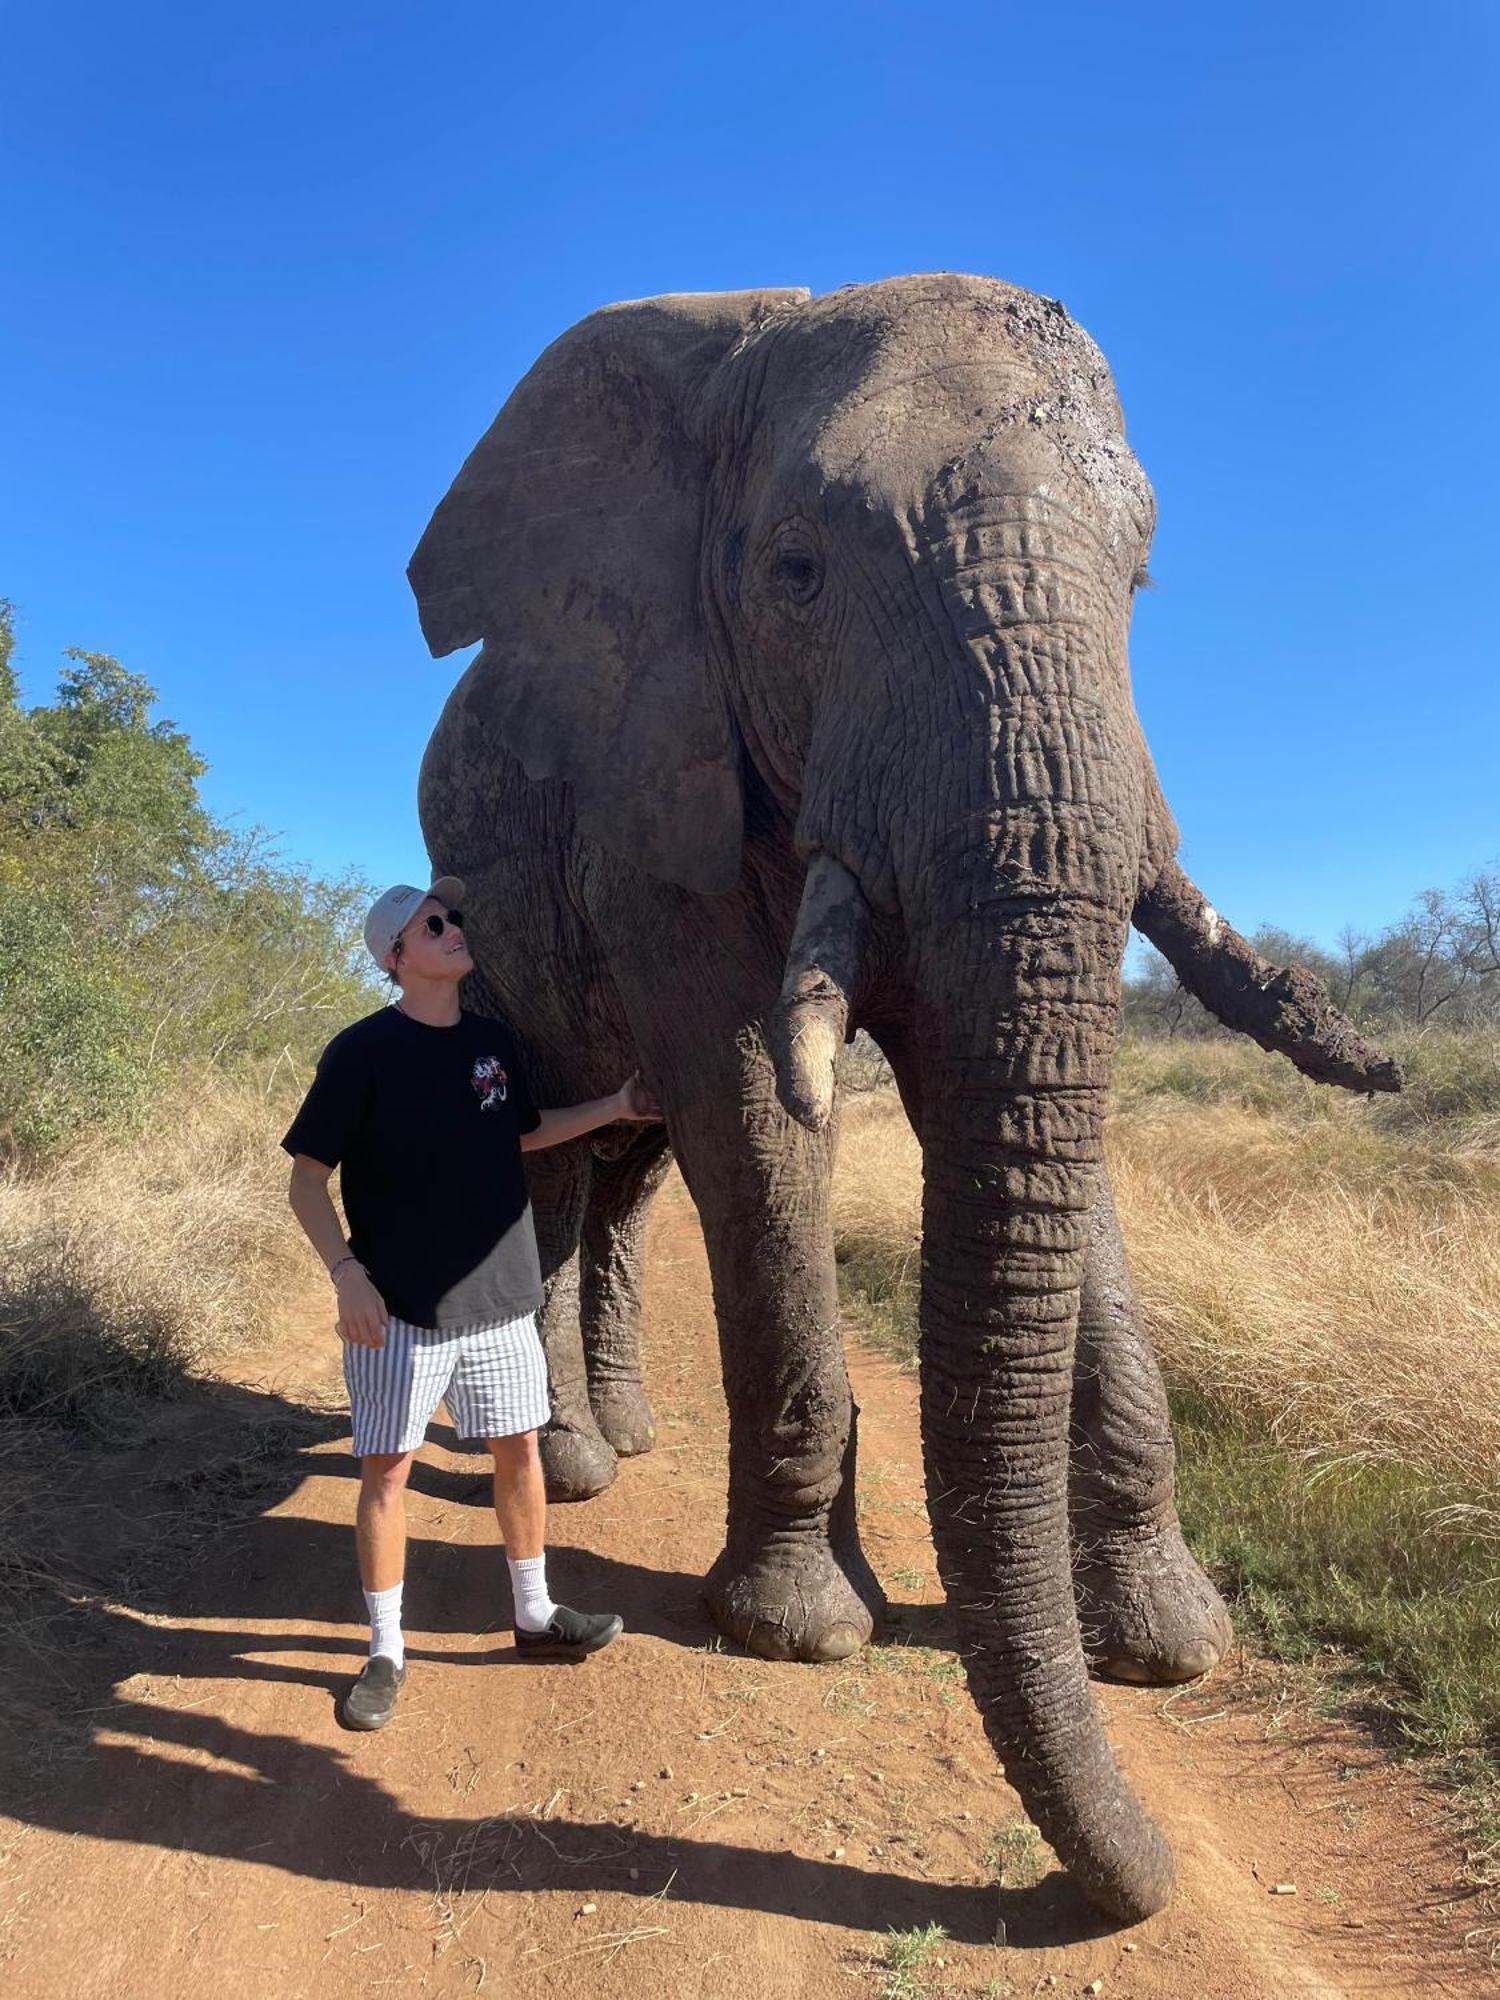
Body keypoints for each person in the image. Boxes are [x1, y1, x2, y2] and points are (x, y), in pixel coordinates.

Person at [283, 877, 659, 1731]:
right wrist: (346, 1273)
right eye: (432, 925)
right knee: (387, 1472)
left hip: (501, 1302)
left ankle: (534, 1615)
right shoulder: (360, 1053)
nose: (453, 930)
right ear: (396, 957)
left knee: (520, 1449)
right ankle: (385, 1650)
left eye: (452, 919)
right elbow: (307, 1182)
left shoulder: (491, 1043)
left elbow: (519, 1130)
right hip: (401, 1312)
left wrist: (616, 1106)